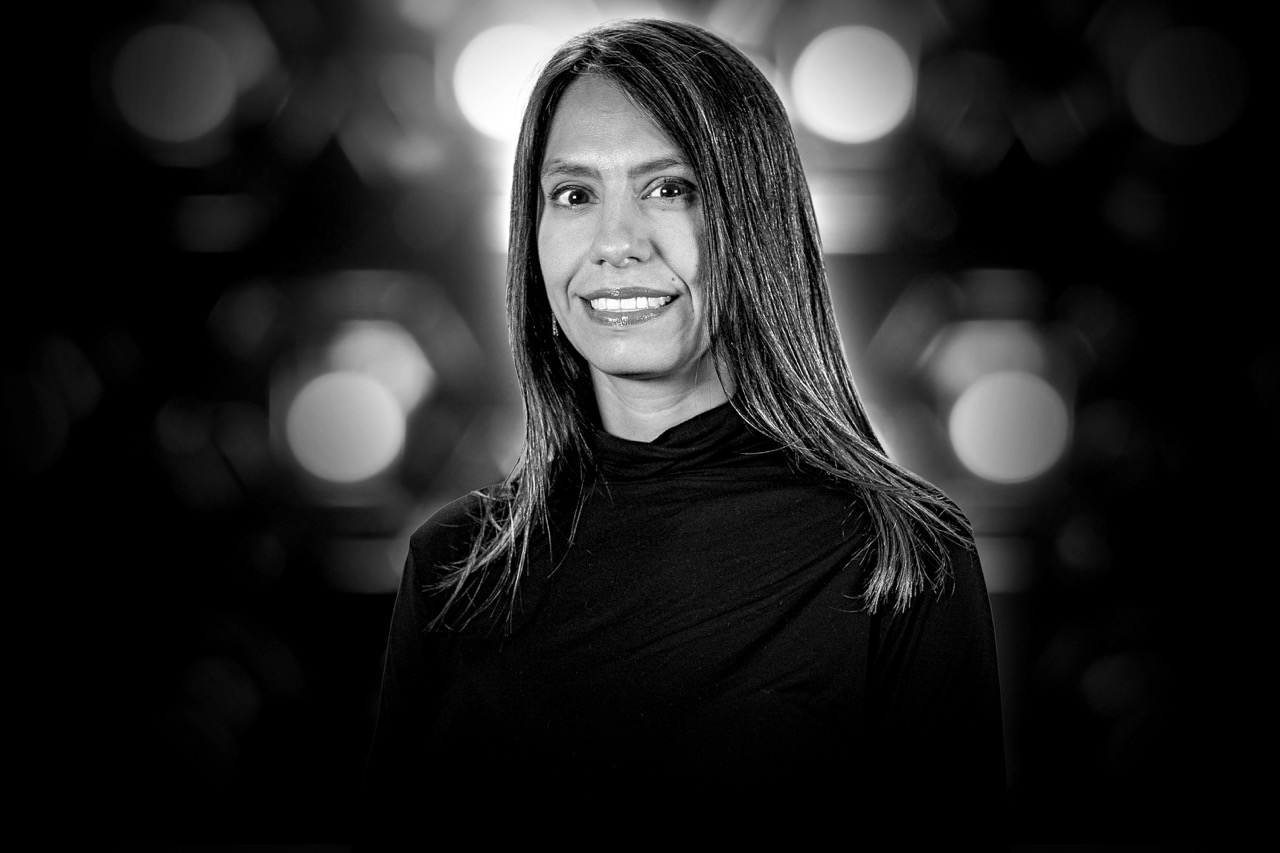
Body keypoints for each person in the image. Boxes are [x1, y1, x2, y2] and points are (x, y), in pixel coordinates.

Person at [361, 17, 1006, 845]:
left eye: (671, 189)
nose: (616, 244)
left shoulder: (902, 556)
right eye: (574, 194)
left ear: (753, 221)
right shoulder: (454, 567)